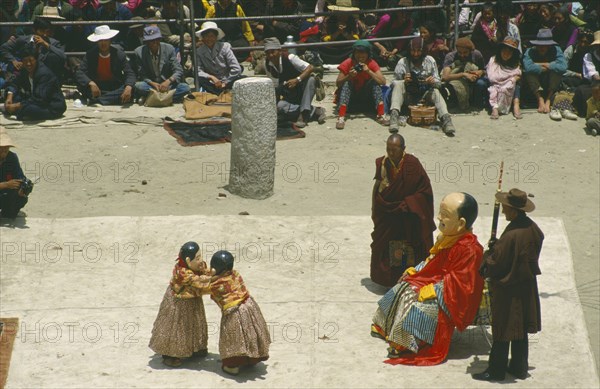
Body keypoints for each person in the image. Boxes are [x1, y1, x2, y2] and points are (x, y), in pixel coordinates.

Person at [371, 192, 484, 365]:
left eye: (445, 215)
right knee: (402, 287)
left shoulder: (471, 250)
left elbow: (463, 284)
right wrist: (415, 271)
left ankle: (409, 344)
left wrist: (434, 289)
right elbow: (432, 262)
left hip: (449, 296)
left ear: (461, 224)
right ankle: (384, 326)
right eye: (440, 212)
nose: (439, 217)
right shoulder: (447, 238)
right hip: (433, 279)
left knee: (417, 303)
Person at [472, 188, 544, 381]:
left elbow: (495, 264)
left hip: (508, 288)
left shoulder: (511, 236)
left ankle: (495, 370)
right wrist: (500, 247)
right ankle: (519, 367)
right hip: (526, 285)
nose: (503, 212)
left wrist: (489, 254)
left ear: (514, 210)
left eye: (505, 208)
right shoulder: (533, 228)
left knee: (502, 329)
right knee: (519, 327)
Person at [370, 133, 435, 287]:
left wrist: (409, 204)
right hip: (389, 216)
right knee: (389, 247)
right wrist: (377, 207)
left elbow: (424, 191)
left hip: (408, 216)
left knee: (408, 249)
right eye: (388, 149)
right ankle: (391, 281)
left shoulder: (412, 165)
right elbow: (377, 187)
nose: (391, 153)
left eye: (394, 150)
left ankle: (409, 279)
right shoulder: (383, 164)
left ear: (403, 149)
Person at [149, 242, 211, 367]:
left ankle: (195, 347)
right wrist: (221, 283)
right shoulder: (182, 273)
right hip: (178, 303)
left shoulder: (196, 266)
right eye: (197, 258)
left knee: (194, 325)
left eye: (200, 256)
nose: (201, 261)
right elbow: (200, 284)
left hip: (192, 301)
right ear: (188, 260)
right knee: (176, 328)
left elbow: (205, 272)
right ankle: (170, 354)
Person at [209, 250, 270, 376]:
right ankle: (251, 359)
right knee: (250, 333)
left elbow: (202, 287)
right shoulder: (235, 274)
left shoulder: (216, 285)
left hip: (234, 313)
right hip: (249, 306)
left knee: (234, 339)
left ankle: (232, 366)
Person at [389, 36, 456, 136]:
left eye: (419, 51)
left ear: (423, 51)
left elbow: (439, 83)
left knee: (436, 92)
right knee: (398, 85)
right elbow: (393, 84)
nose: (415, 54)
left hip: (425, 95)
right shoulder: (403, 62)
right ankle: (394, 117)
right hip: (408, 96)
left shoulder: (430, 61)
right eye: (413, 51)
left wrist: (432, 81)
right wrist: (404, 80)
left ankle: (446, 119)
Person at [264, 37, 325, 128]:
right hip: (290, 96)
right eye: (268, 53)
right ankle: (315, 111)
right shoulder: (267, 65)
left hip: (303, 90)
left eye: (273, 51)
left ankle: (303, 115)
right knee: (280, 107)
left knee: (311, 80)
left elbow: (310, 68)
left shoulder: (290, 57)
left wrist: (297, 80)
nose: (271, 55)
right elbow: (274, 87)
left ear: (279, 51)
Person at [75, 25, 136, 105]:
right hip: (97, 85)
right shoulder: (91, 54)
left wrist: (128, 86)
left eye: (105, 40)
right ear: (97, 42)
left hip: (113, 86)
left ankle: (97, 100)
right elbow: (80, 72)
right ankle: (109, 99)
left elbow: (130, 73)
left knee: (131, 88)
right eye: (100, 40)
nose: (103, 43)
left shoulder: (119, 54)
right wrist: (91, 83)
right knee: (82, 85)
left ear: (110, 41)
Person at [3, 44, 66, 120]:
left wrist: (17, 106)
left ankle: (18, 111)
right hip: (34, 100)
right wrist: (9, 98)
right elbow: (15, 83)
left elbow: (39, 99)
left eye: (31, 60)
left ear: (36, 60)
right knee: (14, 98)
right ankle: (16, 110)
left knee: (29, 109)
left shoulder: (44, 74)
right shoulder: (24, 70)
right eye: (25, 61)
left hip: (50, 106)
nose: (28, 64)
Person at [335, 39, 388, 130]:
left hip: (366, 100)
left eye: (363, 53)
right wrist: (349, 76)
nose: (360, 56)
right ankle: (341, 117)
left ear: (368, 54)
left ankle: (380, 115)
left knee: (375, 82)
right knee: (347, 83)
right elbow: (338, 83)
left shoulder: (371, 63)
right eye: (357, 53)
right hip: (351, 101)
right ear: (354, 53)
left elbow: (383, 82)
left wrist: (369, 71)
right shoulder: (348, 63)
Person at [133, 26, 190, 104]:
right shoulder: (139, 52)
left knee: (185, 88)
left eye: (157, 39)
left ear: (160, 39)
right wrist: (152, 83)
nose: (154, 43)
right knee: (139, 86)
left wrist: (168, 81)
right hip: (152, 86)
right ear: (146, 42)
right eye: (151, 40)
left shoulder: (169, 49)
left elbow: (178, 70)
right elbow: (142, 74)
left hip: (168, 85)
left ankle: (151, 98)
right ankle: (168, 98)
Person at [0, 17, 66, 80]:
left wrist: (47, 45)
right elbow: (4, 48)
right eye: (41, 31)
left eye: (47, 32)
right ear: (35, 30)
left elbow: (63, 56)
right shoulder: (23, 40)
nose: (45, 34)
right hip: (26, 71)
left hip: (47, 73)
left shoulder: (54, 42)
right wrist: (13, 60)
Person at [522, 28, 567, 115]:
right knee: (529, 74)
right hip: (536, 82)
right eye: (540, 45)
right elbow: (527, 67)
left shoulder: (556, 50)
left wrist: (549, 65)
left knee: (556, 72)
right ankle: (540, 99)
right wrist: (545, 65)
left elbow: (563, 67)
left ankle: (548, 99)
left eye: (545, 45)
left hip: (550, 81)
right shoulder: (530, 51)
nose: (542, 47)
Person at [195, 21, 244, 96]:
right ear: (203, 38)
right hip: (212, 82)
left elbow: (236, 68)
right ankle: (219, 93)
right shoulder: (199, 51)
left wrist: (226, 82)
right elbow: (198, 70)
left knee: (242, 79)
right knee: (199, 79)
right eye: (206, 36)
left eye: (211, 36)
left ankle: (220, 92)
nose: (209, 39)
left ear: (216, 37)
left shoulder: (225, 47)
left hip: (228, 79)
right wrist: (211, 77)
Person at [441, 37, 486, 112]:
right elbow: (445, 77)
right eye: (460, 53)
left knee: (481, 83)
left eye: (465, 53)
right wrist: (463, 74)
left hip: (473, 80)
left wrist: (479, 72)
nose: (462, 55)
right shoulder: (450, 57)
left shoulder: (476, 54)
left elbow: (484, 70)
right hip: (456, 79)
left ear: (470, 51)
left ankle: (476, 105)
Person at [487, 36, 522, 119]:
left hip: (509, 86)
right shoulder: (493, 60)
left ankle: (516, 105)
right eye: (504, 51)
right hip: (495, 84)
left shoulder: (515, 63)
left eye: (509, 52)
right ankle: (494, 108)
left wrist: (512, 80)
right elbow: (492, 77)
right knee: (493, 88)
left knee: (515, 84)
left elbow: (518, 74)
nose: (506, 54)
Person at [0, 127, 30, 221]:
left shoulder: (12, 157)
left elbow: (20, 177)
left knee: (20, 198)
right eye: (1, 147)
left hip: (3, 194)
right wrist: (5, 185)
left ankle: (6, 214)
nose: (5, 149)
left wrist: (23, 188)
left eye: (6, 147)